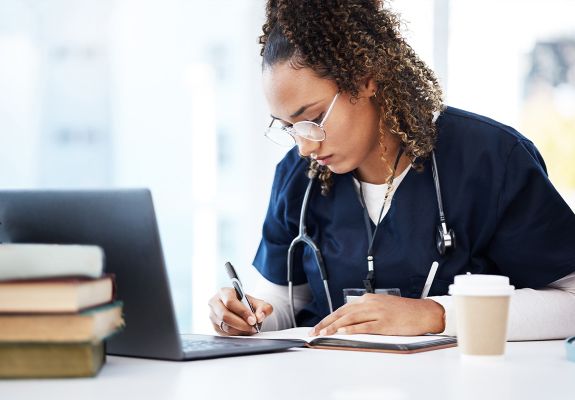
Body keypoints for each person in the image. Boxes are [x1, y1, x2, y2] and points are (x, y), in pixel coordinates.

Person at [208, 0, 575, 339]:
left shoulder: (491, 158)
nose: (304, 145)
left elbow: (570, 302)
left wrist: (437, 315)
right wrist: (248, 315)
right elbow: (283, 304)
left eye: (314, 118)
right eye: (289, 127)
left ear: (366, 78)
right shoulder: (296, 176)